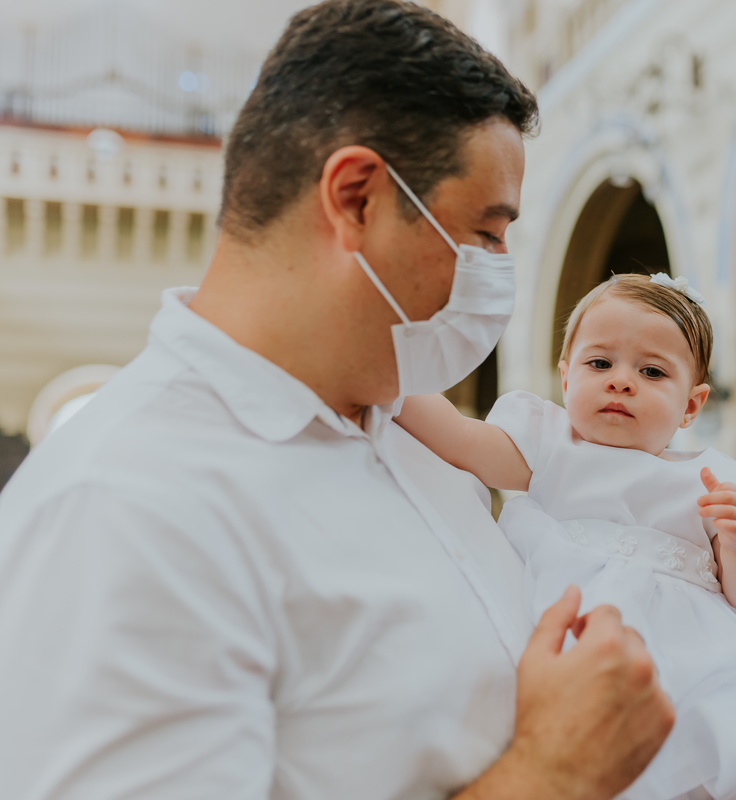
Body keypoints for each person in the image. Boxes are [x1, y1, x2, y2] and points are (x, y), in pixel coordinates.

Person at [0, 3, 676, 799]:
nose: (500, 267)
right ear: (357, 198)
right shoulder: (124, 509)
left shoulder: (403, 430)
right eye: (487, 234)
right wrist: (555, 775)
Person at [397, 273, 736, 800]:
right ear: (566, 376)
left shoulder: (709, 482)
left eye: (652, 371)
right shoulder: (549, 448)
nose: (621, 381)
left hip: (691, 667)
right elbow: (459, 438)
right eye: (600, 363)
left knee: (700, 765)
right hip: (566, 646)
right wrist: (389, 377)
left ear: (691, 405)